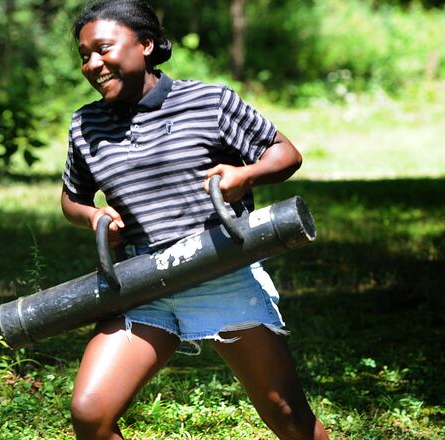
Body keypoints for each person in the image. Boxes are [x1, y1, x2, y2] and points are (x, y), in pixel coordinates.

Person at [60, 1, 329, 438]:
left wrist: (246, 175)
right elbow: (71, 199)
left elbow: (285, 154)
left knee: (289, 418)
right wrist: (93, 216)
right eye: (84, 56)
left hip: (220, 270)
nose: (92, 64)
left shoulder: (209, 101)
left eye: (103, 49)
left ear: (145, 44)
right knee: (91, 413)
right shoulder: (86, 124)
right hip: (142, 280)